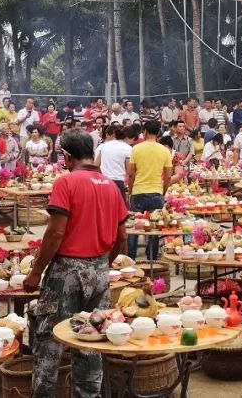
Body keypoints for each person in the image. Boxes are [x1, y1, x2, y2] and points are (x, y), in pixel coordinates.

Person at [24, 129, 128, 398]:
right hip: (100, 272)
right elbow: (122, 237)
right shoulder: (111, 186)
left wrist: (36, 272)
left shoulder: (66, 182)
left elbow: (55, 232)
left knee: (50, 342)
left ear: (67, 157)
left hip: (67, 271)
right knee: (91, 340)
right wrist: (104, 262)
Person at [127, 120, 171, 259]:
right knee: (155, 226)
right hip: (156, 192)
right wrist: (162, 192)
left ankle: (131, 256)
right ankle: (151, 255)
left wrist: (131, 191)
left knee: (135, 225)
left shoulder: (136, 149)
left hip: (138, 192)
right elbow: (168, 176)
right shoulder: (165, 151)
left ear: (144, 132)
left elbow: (131, 173)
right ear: (158, 133)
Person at [95, 126, 132, 195]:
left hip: (103, 181)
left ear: (114, 134)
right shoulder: (127, 148)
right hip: (119, 182)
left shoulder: (103, 146)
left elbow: (96, 165)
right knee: (119, 205)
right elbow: (129, 170)